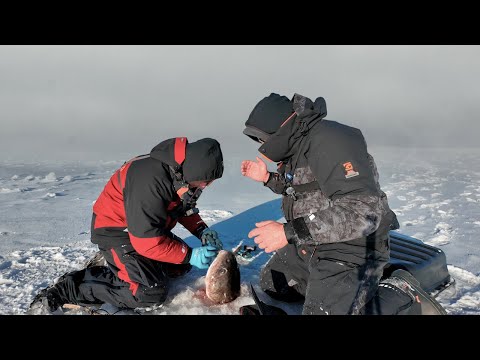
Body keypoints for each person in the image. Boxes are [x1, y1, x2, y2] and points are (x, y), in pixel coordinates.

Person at [240, 93, 447, 315]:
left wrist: (288, 232)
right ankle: (335, 289)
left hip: (351, 247)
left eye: (262, 139)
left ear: (279, 130)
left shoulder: (332, 142)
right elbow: (304, 188)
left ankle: (399, 293)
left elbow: (362, 212)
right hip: (314, 241)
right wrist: (268, 179)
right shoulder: (299, 144)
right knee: (274, 285)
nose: (261, 145)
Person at [28, 137, 224, 314]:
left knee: (178, 267)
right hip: (117, 232)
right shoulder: (150, 182)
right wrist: (189, 255)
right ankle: (71, 287)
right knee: (149, 293)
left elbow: (182, 206)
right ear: (193, 171)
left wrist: (201, 229)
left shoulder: (180, 173)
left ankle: (120, 264)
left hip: (145, 229)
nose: (205, 187)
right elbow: (147, 243)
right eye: (203, 182)